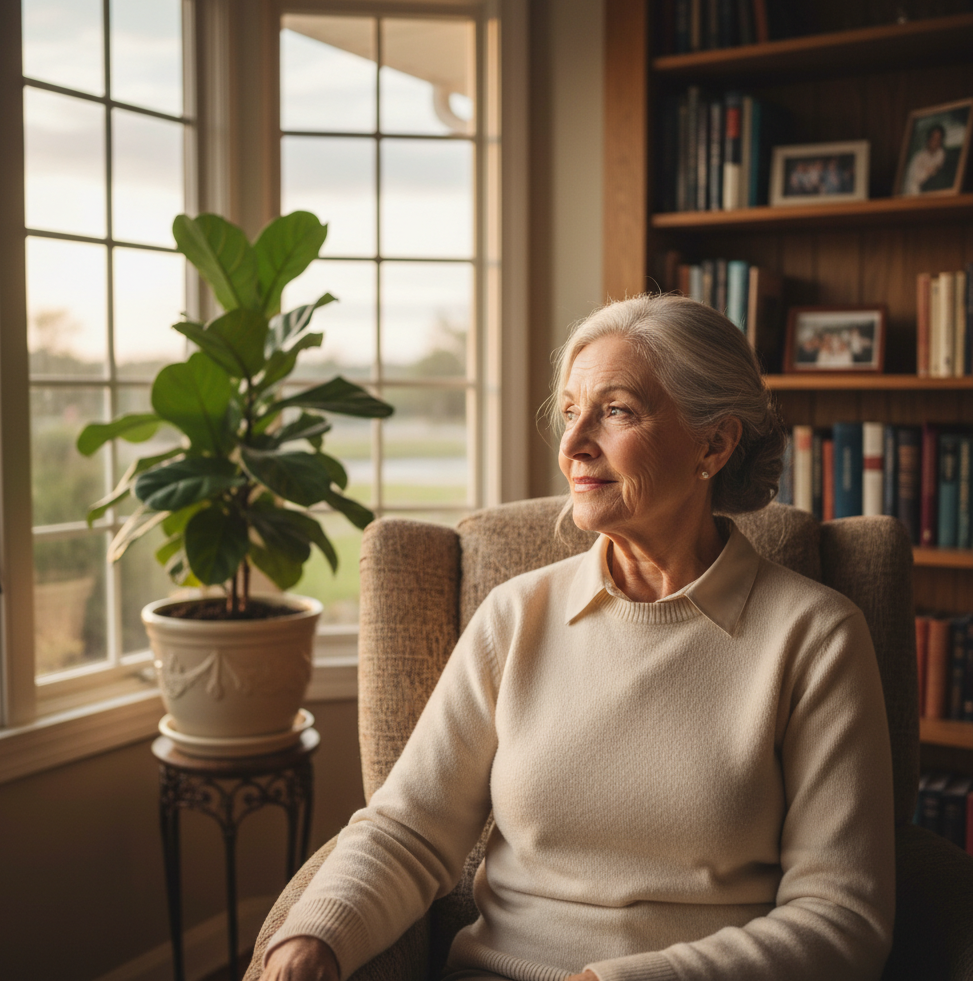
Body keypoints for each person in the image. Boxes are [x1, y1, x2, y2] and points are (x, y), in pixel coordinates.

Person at [261, 296, 895, 981]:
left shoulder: (817, 639)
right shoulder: (516, 616)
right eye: (570, 412)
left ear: (713, 444)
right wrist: (311, 942)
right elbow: (408, 832)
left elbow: (841, 916)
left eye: (616, 411)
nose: (573, 445)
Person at [902, 123, 946, 194]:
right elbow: (915, 180)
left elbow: (937, 168)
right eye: (934, 138)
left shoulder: (941, 154)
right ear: (929, 140)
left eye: (939, 139)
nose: (936, 142)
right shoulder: (918, 157)